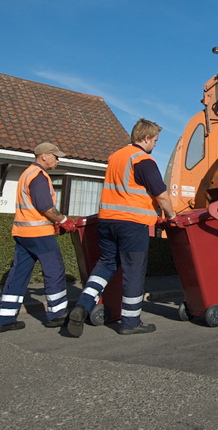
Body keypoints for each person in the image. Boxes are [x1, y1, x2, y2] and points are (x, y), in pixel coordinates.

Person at [67, 118, 176, 337]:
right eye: (155, 140)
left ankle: (83, 305)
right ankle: (130, 321)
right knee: (134, 271)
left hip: (106, 222)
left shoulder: (115, 157)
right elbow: (162, 195)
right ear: (145, 138)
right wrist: (172, 216)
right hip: (131, 224)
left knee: (106, 264)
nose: (155, 145)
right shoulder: (143, 160)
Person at [0, 143, 77, 333]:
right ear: (44, 156)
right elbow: (45, 208)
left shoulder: (26, 174)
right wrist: (64, 220)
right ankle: (56, 314)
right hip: (39, 235)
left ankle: (4, 319)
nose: (57, 159)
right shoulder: (38, 176)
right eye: (55, 156)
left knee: (19, 274)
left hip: (23, 234)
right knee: (54, 270)